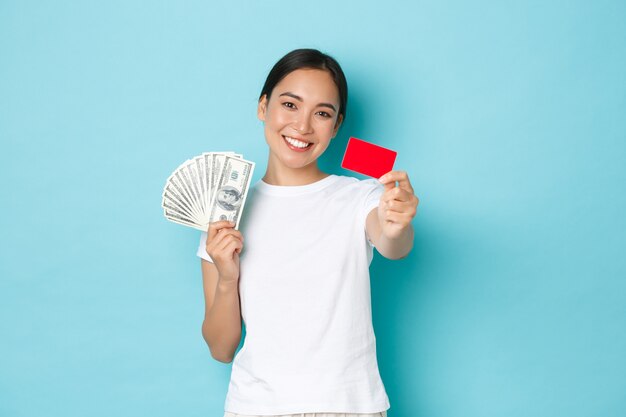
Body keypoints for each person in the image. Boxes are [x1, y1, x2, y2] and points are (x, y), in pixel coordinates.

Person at [197, 48, 419, 417]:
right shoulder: (226, 215)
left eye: (322, 113)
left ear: (336, 126)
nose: (302, 127)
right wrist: (226, 276)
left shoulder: (360, 196)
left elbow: (394, 245)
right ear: (262, 107)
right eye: (289, 105)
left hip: (350, 407)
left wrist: (398, 224)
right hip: (256, 408)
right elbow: (221, 349)